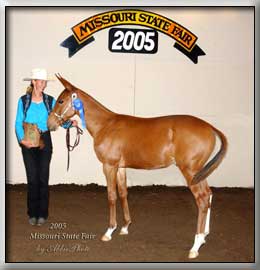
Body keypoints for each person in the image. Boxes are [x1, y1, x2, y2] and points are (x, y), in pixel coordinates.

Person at [15, 68, 77, 226]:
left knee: (43, 178)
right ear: (33, 82)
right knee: (32, 178)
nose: (43, 84)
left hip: (44, 139)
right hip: (28, 139)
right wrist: (22, 140)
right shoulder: (23, 100)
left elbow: (57, 118)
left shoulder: (50, 100)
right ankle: (32, 213)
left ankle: (42, 213)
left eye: (44, 82)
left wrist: (70, 123)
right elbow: (17, 122)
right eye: (40, 81)